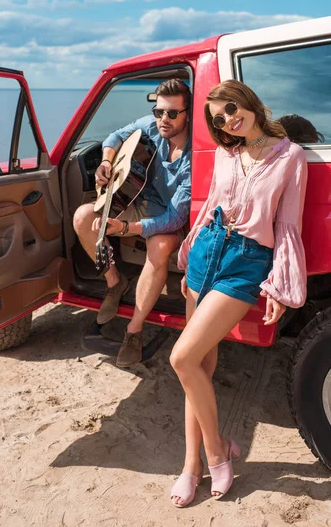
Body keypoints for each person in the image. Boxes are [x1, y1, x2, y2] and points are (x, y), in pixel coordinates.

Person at [169, 80, 308, 506]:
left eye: (231, 108)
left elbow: (287, 225)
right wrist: (189, 252)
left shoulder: (290, 155)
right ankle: (192, 465)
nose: (228, 119)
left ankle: (217, 451)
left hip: (245, 264)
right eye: (219, 118)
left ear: (247, 102)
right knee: (199, 368)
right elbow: (211, 204)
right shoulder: (226, 155)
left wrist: (280, 284)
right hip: (206, 254)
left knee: (182, 358)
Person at [73, 78, 191, 368]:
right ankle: (115, 282)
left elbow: (174, 218)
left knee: (160, 245)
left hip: (172, 215)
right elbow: (115, 135)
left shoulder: (192, 157)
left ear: (188, 114)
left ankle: (134, 330)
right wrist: (106, 161)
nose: (164, 119)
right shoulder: (153, 126)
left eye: (172, 113)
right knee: (83, 217)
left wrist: (125, 229)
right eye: (159, 112)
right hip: (140, 200)